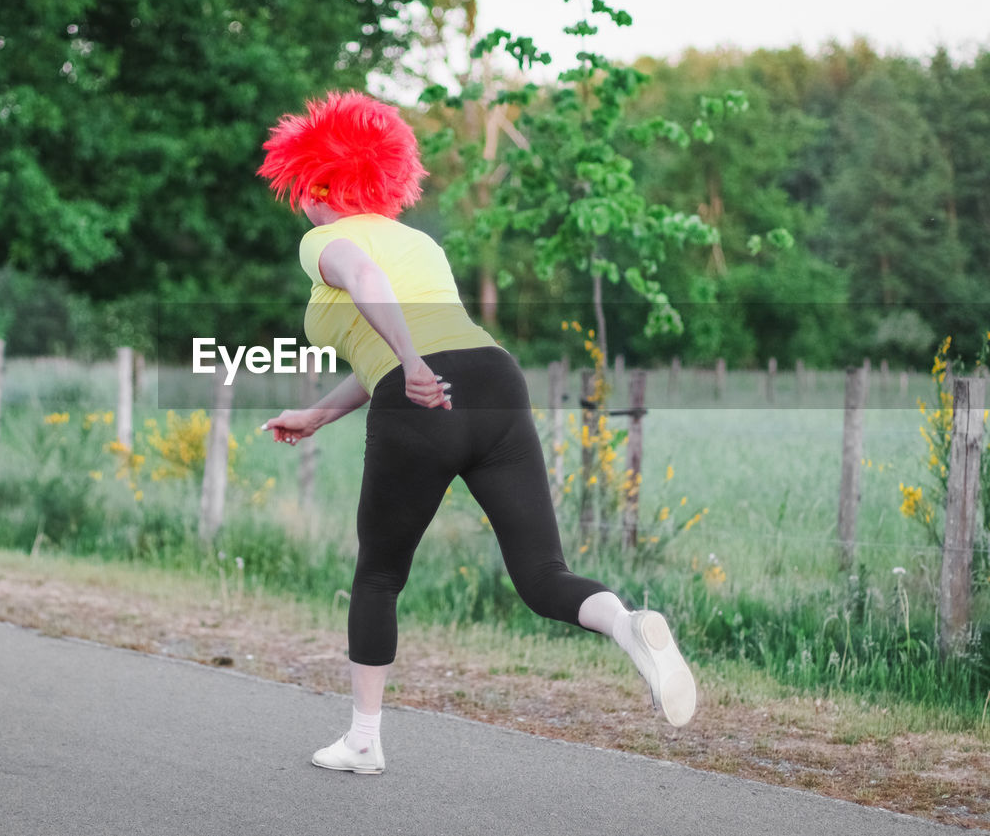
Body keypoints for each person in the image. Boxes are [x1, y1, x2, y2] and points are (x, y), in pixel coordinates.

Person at [257, 90, 695, 775]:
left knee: (378, 573)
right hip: (495, 380)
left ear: (319, 183)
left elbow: (370, 288)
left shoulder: (324, 240)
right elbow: (409, 344)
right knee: (543, 575)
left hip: (421, 393)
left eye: (300, 190)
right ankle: (625, 622)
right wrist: (320, 413)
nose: (298, 204)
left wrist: (409, 362)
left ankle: (364, 741)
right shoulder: (420, 241)